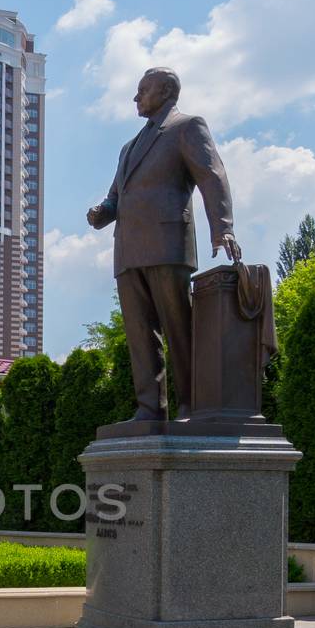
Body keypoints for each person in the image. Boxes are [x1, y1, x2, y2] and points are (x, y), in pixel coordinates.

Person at [87, 67, 239, 422]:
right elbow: (116, 196)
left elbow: (212, 177)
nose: (136, 97)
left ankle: (191, 405)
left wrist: (223, 228)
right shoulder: (129, 147)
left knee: (178, 328)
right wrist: (103, 212)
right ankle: (150, 409)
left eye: (143, 90)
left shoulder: (187, 127)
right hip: (127, 250)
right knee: (140, 335)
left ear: (166, 91)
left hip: (168, 242)